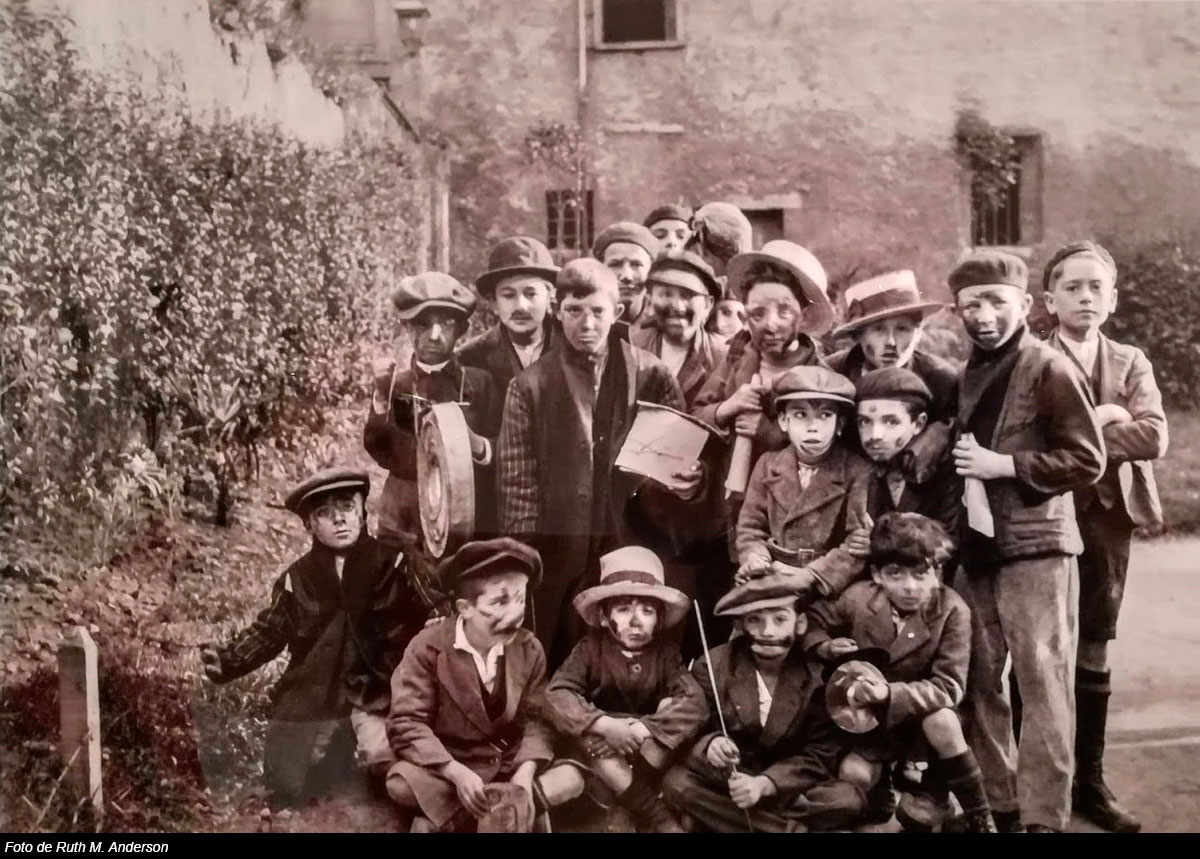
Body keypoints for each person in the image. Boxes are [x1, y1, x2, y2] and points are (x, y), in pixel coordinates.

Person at [948, 249, 1105, 832]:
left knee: (1043, 684)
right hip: (977, 547)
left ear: (1026, 304)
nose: (983, 315)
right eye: (971, 305)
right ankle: (1000, 805)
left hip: (1038, 549)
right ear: (957, 311)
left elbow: (1088, 459)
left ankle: (1044, 817)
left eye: (996, 302)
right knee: (977, 679)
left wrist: (1005, 466)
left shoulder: (1049, 367)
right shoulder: (968, 372)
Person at [496, 258, 703, 669]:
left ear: (617, 311)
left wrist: (685, 482)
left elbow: (677, 461)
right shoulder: (529, 387)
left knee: (636, 644)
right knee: (563, 647)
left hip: (636, 536)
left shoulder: (651, 374)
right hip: (562, 544)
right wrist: (524, 560)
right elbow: (517, 484)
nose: (586, 324)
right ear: (557, 310)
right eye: (574, 311)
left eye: (597, 311)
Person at [201, 468, 428, 809]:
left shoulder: (395, 562)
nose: (339, 519)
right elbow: (270, 630)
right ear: (309, 525)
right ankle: (330, 764)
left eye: (347, 506)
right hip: (317, 688)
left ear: (362, 511)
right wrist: (229, 660)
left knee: (384, 755)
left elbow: (435, 612)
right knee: (287, 780)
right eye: (324, 513)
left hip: (379, 686)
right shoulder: (298, 577)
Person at [1042, 240, 1168, 833]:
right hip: (1043, 513)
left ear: (1112, 299)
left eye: (1096, 287)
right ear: (1049, 300)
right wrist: (1110, 420)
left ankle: (1089, 781)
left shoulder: (1129, 361)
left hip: (1107, 519)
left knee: (1094, 640)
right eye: (1072, 287)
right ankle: (1039, 781)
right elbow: (1027, 442)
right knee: (1038, 645)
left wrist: (1081, 435)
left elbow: (1153, 436)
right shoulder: (1033, 358)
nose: (1085, 297)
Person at [804, 512, 996, 832]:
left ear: (937, 572)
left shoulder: (952, 610)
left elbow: (948, 687)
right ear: (877, 575)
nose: (909, 587)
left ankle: (976, 812)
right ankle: (881, 793)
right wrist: (824, 646)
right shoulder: (859, 597)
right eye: (895, 574)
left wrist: (889, 694)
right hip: (872, 726)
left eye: (921, 574)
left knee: (943, 721)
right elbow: (814, 620)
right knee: (854, 775)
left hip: (922, 726)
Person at [662, 573, 866, 832]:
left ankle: (724, 820)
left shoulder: (819, 676)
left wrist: (766, 784)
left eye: (780, 619)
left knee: (847, 799)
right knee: (677, 783)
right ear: (741, 625)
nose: (768, 632)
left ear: (800, 624)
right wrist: (711, 745)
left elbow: (820, 753)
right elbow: (693, 729)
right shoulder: (713, 666)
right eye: (754, 620)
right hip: (731, 780)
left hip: (786, 783)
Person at [384, 538, 559, 833]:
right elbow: (407, 721)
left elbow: (538, 719)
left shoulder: (529, 648)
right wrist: (454, 772)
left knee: (573, 777)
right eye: (500, 602)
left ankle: (455, 817)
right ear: (465, 608)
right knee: (399, 783)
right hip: (452, 762)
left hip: (507, 762)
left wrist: (524, 772)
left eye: (520, 599)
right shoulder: (427, 648)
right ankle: (504, 811)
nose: (516, 614)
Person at [543, 546, 707, 832]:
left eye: (647, 611)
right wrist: (604, 725)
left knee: (671, 707)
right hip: (601, 755)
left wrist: (642, 729)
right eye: (623, 609)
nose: (635, 621)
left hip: (647, 753)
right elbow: (557, 694)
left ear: (659, 619)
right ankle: (655, 813)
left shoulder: (667, 655)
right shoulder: (589, 649)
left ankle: (627, 804)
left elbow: (695, 702)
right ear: (604, 617)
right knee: (591, 740)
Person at [363, 272, 501, 605]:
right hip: (404, 518)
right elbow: (380, 449)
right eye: (423, 324)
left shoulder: (479, 383)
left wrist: (475, 445)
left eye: (447, 324)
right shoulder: (398, 384)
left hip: (466, 516)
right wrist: (381, 397)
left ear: (462, 330)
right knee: (397, 603)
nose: (435, 335)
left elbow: (500, 445)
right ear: (408, 328)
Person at [735, 365, 872, 603]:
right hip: (773, 572)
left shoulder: (855, 470)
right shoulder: (768, 464)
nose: (813, 426)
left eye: (825, 415)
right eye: (800, 415)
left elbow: (856, 542)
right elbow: (750, 526)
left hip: (825, 583)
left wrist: (809, 576)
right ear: (783, 421)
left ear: (839, 425)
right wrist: (755, 558)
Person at [827, 270, 956, 422]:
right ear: (858, 335)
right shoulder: (833, 372)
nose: (891, 342)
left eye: (902, 329)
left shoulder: (939, 379)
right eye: (879, 329)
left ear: (918, 332)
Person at [855, 368, 960, 544]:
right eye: (864, 421)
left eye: (891, 422)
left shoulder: (945, 468)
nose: (875, 435)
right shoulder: (855, 465)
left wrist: (876, 545)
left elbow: (949, 542)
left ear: (918, 423)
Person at [459, 236, 561, 397]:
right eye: (508, 295)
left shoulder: (571, 347)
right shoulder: (471, 357)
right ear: (493, 302)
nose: (521, 306)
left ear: (549, 296)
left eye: (531, 294)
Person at [631, 250, 727, 409]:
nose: (677, 307)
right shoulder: (632, 348)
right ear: (650, 301)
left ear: (708, 305)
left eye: (687, 295)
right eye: (666, 294)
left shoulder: (726, 357)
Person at [592, 221, 660, 334]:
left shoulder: (664, 326)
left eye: (636, 264)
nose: (626, 276)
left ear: (651, 270)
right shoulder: (588, 325)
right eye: (615, 264)